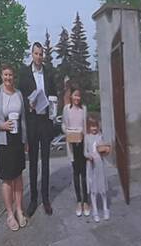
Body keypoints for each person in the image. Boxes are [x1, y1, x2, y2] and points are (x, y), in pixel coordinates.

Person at [0, 64, 27, 232]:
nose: (8, 78)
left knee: (18, 177)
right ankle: (10, 214)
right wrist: (2, 125)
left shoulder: (19, 94)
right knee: (7, 179)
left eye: (10, 75)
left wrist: (25, 140)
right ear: (1, 76)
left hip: (17, 141)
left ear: (13, 76)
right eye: (5, 75)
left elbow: (23, 119)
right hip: (3, 142)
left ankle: (19, 210)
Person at [17, 41, 57, 216]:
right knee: (33, 162)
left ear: (43, 55)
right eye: (36, 54)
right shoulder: (24, 73)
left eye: (41, 54)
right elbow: (20, 97)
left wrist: (53, 114)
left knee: (46, 162)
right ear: (31, 54)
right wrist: (29, 104)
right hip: (32, 122)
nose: (39, 57)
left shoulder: (49, 73)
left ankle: (46, 199)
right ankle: (33, 200)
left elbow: (54, 95)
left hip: (45, 122)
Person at [62, 88, 90, 217]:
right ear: (71, 97)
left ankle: (86, 201)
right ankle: (79, 201)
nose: (77, 98)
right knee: (76, 173)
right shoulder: (66, 109)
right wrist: (68, 131)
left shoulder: (84, 109)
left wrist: (82, 134)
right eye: (75, 95)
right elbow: (63, 124)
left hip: (82, 144)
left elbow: (86, 127)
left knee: (84, 173)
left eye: (79, 96)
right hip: (72, 145)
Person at [84, 116, 110, 223]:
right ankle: (95, 211)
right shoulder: (87, 137)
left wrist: (106, 150)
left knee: (102, 188)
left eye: (95, 126)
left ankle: (105, 208)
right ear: (88, 127)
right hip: (91, 166)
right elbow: (85, 152)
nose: (94, 128)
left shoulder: (100, 136)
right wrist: (88, 156)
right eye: (91, 126)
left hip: (100, 164)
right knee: (93, 189)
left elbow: (104, 148)